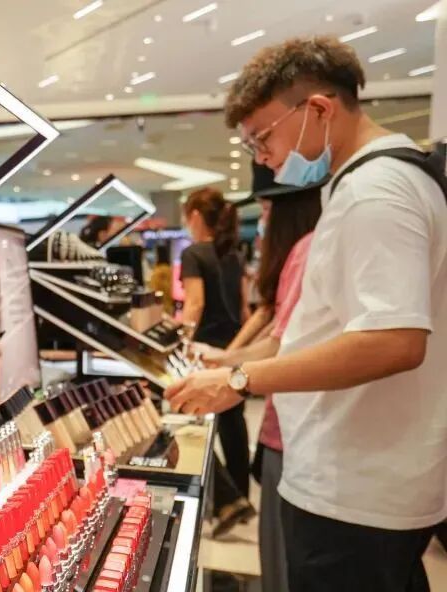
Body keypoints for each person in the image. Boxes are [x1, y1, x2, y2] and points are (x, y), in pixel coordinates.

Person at [165, 36, 447, 592]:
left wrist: (240, 379)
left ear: (318, 108)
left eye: (262, 137)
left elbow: (394, 341)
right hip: (359, 478)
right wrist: (233, 363)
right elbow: (325, 329)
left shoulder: (375, 192)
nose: (261, 158)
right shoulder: (372, 185)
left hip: (355, 488)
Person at [198, 178, 322, 592]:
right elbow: (266, 319)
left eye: (266, 212)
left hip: (297, 432)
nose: (261, 224)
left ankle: (232, 499)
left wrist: (233, 373)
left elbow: (280, 342)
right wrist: (228, 359)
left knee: (284, 560)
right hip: (290, 426)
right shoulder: (284, 257)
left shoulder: (307, 252)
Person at [178, 188, 253, 527]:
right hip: (233, 346)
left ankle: (225, 499)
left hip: (205, 350)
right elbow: (244, 308)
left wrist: (182, 341)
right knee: (234, 424)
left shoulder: (194, 253)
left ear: (195, 216)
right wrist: (238, 350)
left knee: (192, 420)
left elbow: (195, 303)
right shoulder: (233, 255)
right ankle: (239, 495)